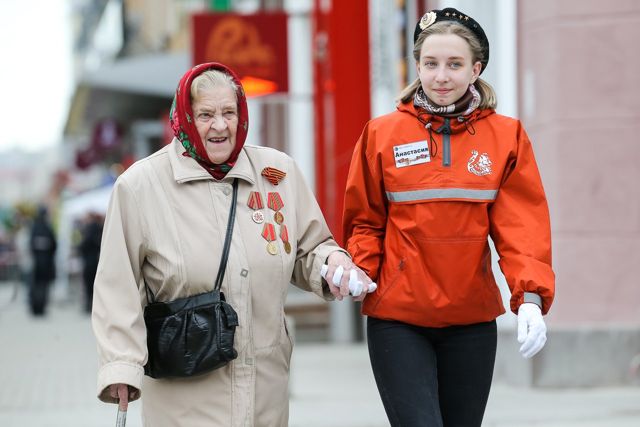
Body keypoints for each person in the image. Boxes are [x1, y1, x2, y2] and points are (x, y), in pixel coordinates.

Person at [91, 62, 373, 426]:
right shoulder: (140, 186)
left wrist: (332, 263)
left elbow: (309, 248)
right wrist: (121, 366)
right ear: (185, 117)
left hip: (265, 392)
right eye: (205, 115)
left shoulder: (277, 173)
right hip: (184, 395)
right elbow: (117, 286)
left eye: (228, 112)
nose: (220, 125)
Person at [343, 8, 555, 427]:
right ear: (417, 66)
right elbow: (365, 220)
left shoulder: (506, 137)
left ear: (476, 69)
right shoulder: (381, 134)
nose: (441, 76)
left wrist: (530, 298)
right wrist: (360, 269)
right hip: (398, 320)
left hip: (471, 322)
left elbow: (522, 229)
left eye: (454, 64)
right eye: (431, 64)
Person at [29, 205, 57, 316]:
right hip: (45, 262)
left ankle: (36, 307)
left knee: (37, 285)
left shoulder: (35, 227)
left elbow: (31, 245)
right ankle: (40, 307)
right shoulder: (47, 227)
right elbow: (54, 245)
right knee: (43, 286)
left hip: (38, 262)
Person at [78, 211, 103, 313]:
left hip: (89, 261)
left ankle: (89, 305)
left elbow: (84, 245)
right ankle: (93, 305)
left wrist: (80, 248)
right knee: (94, 285)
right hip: (97, 261)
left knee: (89, 284)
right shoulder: (100, 229)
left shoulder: (90, 229)